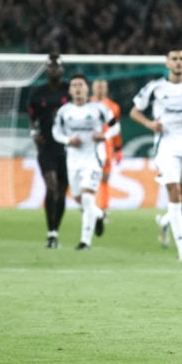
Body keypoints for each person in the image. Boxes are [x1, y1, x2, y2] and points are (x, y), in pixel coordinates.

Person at [130, 50, 182, 263]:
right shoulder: (156, 88)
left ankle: (165, 221)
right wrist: (150, 124)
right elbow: (134, 111)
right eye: (174, 59)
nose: (178, 63)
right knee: (174, 195)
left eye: (181, 59)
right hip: (166, 146)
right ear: (167, 63)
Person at [51, 74, 120, 250]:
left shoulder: (99, 109)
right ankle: (97, 215)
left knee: (88, 197)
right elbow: (56, 133)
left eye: (81, 85)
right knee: (78, 197)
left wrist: (104, 135)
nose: (78, 88)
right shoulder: (64, 111)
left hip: (94, 157)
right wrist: (67, 140)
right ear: (70, 90)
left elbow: (116, 126)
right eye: (74, 85)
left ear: (86, 89)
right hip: (73, 159)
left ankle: (85, 242)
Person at [27, 53, 70, 249]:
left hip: (67, 148)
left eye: (56, 67)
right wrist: (33, 133)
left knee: (61, 190)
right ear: (47, 69)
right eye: (50, 67)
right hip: (46, 147)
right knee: (51, 186)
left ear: (62, 69)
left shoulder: (69, 90)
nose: (53, 70)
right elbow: (31, 117)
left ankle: (55, 233)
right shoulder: (38, 93)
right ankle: (50, 232)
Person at [90, 78, 123, 237]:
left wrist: (118, 147)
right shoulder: (87, 104)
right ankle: (92, 208)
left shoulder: (113, 107)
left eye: (103, 87)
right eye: (98, 86)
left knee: (105, 178)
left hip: (106, 145)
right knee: (89, 179)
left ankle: (103, 209)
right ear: (93, 88)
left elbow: (116, 128)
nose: (100, 89)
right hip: (88, 147)